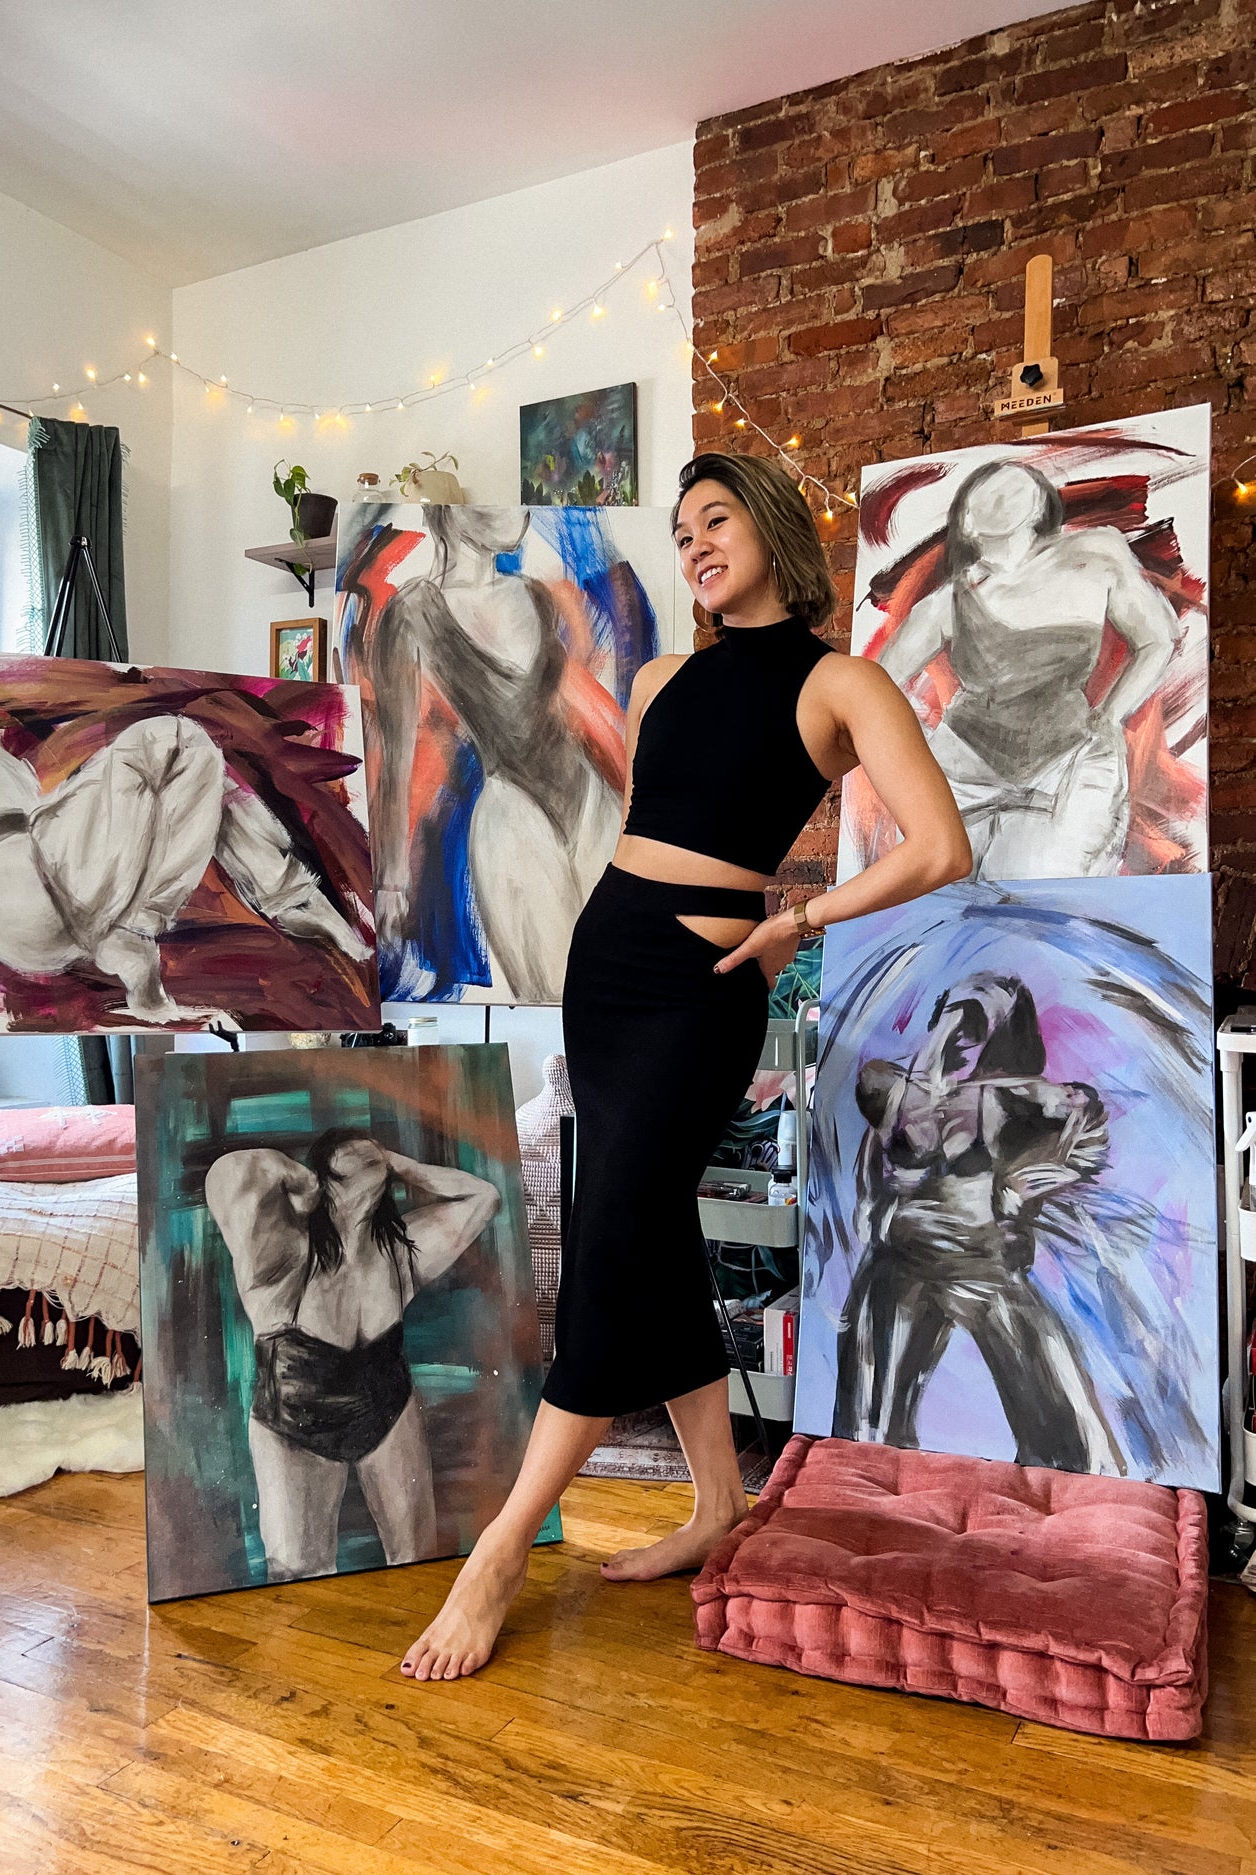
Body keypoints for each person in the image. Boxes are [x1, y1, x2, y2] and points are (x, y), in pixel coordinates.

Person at [401, 450, 972, 1681]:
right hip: (607, 974)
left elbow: (939, 848)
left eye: (716, 519)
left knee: (614, 1237)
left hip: (701, 991)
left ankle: (498, 1549)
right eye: (681, 531)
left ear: (773, 526)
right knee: (646, 1235)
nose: (695, 544)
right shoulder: (660, 680)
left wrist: (799, 922)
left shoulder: (841, 682)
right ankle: (717, 1502)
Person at [0, 650, 369, 1025]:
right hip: (20, 864)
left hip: (28, 892)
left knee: (191, 777)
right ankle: (281, 902)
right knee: (174, 740)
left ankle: (142, 935)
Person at [832, 972, 1123, 1473]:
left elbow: (1090, 1116)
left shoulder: (1011, 1097)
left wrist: (1019, 1193)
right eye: (958, 1015)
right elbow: (873, 1157)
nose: (962, 1035)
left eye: (982, 1024)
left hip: (981, 1262)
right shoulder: (886, 1082)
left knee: (1070, 1436)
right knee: (868, 1425)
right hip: (898, 1263)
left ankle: (1063, 1514)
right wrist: (874, 1214)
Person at [358, 505, 629, 1002]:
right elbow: (393, 757)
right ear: (449, 511)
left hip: (590, 800)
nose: (517, 509)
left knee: (621, 987)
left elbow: (569, 708)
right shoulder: (412, 613)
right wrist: (392, 880)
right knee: (556, 999)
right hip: (511, 812)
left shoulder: (534, 595)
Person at [205, 1128, 501, 1580]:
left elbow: (484, 1197)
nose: (363, 1178)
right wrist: (295, 1176)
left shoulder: (401, 1253)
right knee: (300, 1569)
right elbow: (228, 1174)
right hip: (294, 1424)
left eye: (373, 1167)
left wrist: (404, 1166)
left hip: (386, 1412)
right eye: (350, 1171)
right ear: (324, 1180)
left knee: (416, 1560)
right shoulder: (283, 1258)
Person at [875, 460, 1180, 877]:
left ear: (1039, 507)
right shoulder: (949, 600)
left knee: (1037, 895)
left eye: (1014, 487)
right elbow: (877, 685)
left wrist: (1111, 714)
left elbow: (1158, 639)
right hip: (961, 771)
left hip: (1068, 763)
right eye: (984, 490)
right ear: (966, 522)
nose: (998, 494)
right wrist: (919, 742)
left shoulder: (1094, 554)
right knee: (946, 901)